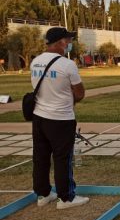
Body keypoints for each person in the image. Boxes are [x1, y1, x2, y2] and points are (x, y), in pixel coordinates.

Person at [31, 27, 89, 209]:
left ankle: (43, 194)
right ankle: (66, 198)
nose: (70, 43)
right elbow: (80, 93)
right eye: (68, 40)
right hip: (61, 118)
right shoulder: (67, 64)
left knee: (40, 158)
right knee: (62, 158)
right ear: (61, 42)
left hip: (39, 117)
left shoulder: (35, 62)